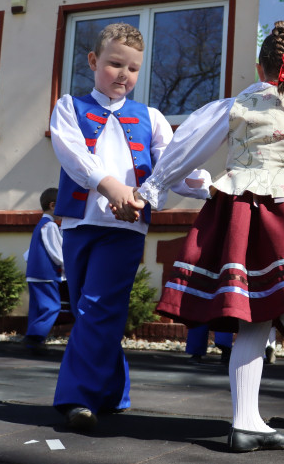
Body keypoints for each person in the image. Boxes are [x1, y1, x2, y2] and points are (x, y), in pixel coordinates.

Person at [132, 21, 284, 452]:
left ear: (259, 67)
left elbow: (188, 146)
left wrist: (153, 187)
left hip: (244, 214)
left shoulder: (235, 106)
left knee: (257, 313)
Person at [49, 22, 209, 431]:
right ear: (93, 61)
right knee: (90, 309)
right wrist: (112, 187)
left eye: (133, 68)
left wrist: (210, 187)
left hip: (126, 228)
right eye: (115, 64)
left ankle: (76, 397)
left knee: (96, 307)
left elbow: (172, 165)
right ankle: (113, 391)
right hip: (79, 223)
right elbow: (72, 154)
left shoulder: (151, 117)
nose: (123, 74)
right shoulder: (69, 107)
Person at [23, 187, 64, 357]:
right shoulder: (50, 226)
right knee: (52, 307)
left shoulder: (41, 225)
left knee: (37, 309)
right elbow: (57, 253)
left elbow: (28, 253)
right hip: (46, 275)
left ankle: (32, 342)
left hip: (35, 274)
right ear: (53, 205)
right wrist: (68, 266)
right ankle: (35, 338)